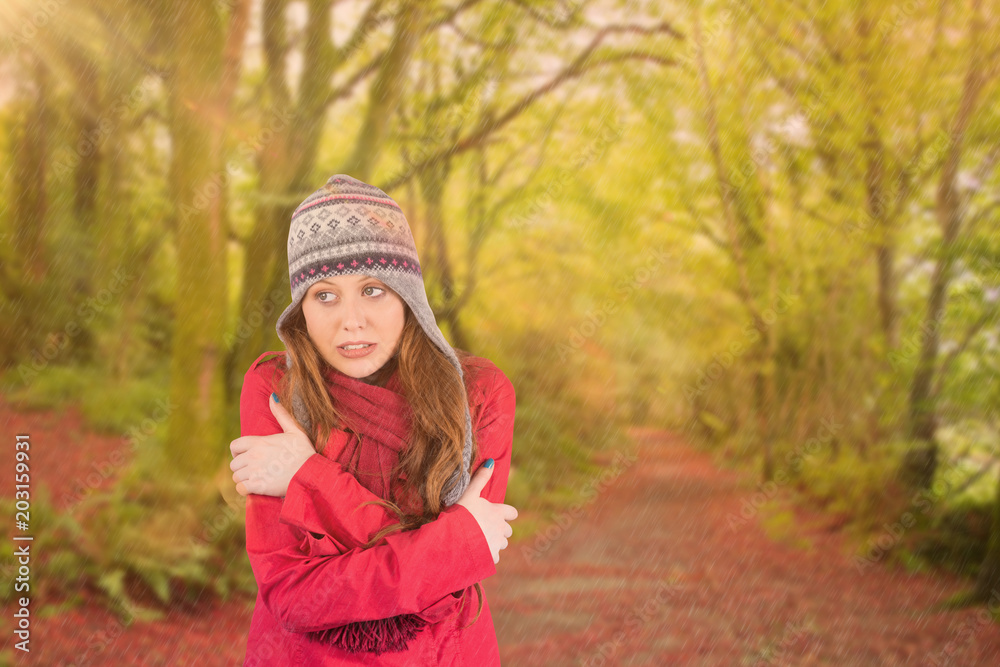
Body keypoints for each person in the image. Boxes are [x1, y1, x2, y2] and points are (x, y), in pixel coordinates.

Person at [229, 174, 518, 665]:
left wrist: (307, 476)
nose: (351, 321)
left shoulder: (478, 395)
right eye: (324, 295)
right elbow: (292, 594)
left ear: (408, 294)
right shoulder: (276, 390)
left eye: (373, 289)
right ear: (300, 307)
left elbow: (450, 592)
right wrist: (449, 543)